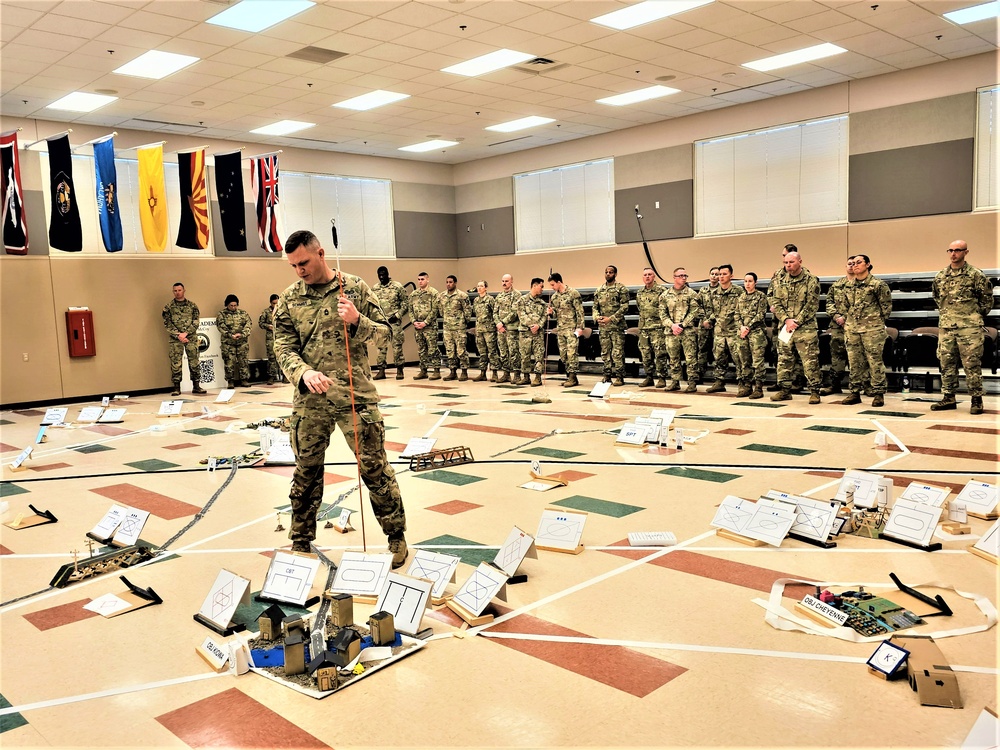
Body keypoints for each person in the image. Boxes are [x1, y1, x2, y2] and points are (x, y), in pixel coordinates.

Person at [273, 229, 408, 566]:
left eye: (303, 262)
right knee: (306, 471)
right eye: (293, 265)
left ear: (321, 253)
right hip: (311, 399)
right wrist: (303, 372)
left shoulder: (355, 288)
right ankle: (301, 540)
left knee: (375, 468)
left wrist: (357, 320)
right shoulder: (290, 298)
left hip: (354, 394)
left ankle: (396, 538)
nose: (299, 270)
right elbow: (283, 346)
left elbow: (387, 334)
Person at [931, 240, 994, 415]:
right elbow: (937, 298)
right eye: (950, 250)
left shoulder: (976, 275)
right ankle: (948, 397)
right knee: (946, 363)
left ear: (966, 252)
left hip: (969, 327)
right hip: (946, 326)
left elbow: (987, 300)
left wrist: (973, 316)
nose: (953, 254)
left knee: (972, 364)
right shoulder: (940, 276)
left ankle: (976, 399)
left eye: (957, 250)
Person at [832, 254, 892, 408]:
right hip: (852, 329)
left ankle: (878, 393)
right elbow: (844, 306)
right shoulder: (848, 286)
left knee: (874, 362)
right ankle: (855, 392)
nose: (855, 265)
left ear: (868, 265)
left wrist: (875, 323)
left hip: (872, 329)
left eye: (859, 262)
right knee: (854, 362)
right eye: (853, 263)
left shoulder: (878, 285)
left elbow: (886, 308)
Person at [770, 251, 822, 403]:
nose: (788, 265)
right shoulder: (780, 281)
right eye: (785, 263)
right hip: (786, 327)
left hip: (805, 328)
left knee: (810, 361)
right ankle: (785, 390)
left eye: (791, 262)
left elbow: (812, 304)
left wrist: (796, 321)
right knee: (784, 359)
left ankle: (814, 391)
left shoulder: (811, 280)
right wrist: (786, 320)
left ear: (800, 261)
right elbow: (776, 303)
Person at [767, 245, 806, 392]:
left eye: (788, 256)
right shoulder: (777, 274)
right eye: (783, 256)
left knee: (796, 350)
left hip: (796, 319)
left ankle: (797, 381)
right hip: (779, 318)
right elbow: (771, 293)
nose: (785, 259)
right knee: (780, 349)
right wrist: (773, 306)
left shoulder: (804, 274)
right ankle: (782, 380)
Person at [705, 264, 747, 395]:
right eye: (719, 274)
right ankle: (719, 382)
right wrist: (709, 320)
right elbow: (714, 312)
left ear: (731, 276)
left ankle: (742, 383)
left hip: (734, 330)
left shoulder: (739, 291)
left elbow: (743, 310)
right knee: (719, 358)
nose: (721, 277)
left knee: (739, 359)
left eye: (724, 274)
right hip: (719, 331)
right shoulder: (714, 292)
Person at [659, 267, 701, 392]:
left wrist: (682, 325)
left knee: (690, 357)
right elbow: (662, 314)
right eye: (681, 276)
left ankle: (692, 382)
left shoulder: (692, 294)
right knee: (673, 358)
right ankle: (675, 381)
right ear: (674, 278)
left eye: (685, 276)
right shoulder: (665, 295)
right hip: (671, 331)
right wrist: (672, 325)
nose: (684, 278)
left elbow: (694, 311)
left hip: (687, 331)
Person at [162, 282, 206, 397]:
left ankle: (196, 386)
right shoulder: (168, 307)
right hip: (175, 339)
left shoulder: (192, 305)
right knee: (176, 363)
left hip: (190, 337)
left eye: (179, 290)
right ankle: (176, 388)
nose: (177, 292)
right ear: (173, 292)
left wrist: (186, 333)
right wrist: (179, 335)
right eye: (175, 291)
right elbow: (167, 324)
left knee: (194, 361)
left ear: (184, 290)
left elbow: (196, 321)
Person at [820, 259, 854, 395]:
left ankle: (860, 386)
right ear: (845, 266)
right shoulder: (837, 285)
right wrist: (837, 317)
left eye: (854, 263)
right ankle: (835, 385)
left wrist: (848, 319)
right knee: (837, 356)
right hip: (838, 326)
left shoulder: (863, 285)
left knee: (857, 357)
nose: (851, 266)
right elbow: (829, 303)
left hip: (856, 327)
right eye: (849, 263)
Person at [594, 265, 629, 386]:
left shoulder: (621, 288)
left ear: (615, 274)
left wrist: (611, 319)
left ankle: (620, 376)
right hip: (603, 327)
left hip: (616, 327)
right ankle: (607, 375)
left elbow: (625, 306)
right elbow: (595, 307)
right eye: (606, 272)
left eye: (611, 272)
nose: (608, 274)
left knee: (617, 353)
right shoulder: (600, 290)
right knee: (605, 352)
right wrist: (597, 317)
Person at [547, 272, 584, 388]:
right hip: (561, 329)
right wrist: (550, 313)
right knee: (563, 355)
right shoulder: (554, 297)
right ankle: (570, 376)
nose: (552, 287)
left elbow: (580, 312)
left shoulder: (573, 293)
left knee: (571, 353)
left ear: (559, 282)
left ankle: (573, 377)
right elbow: (555, 315)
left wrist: (580, 327)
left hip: (572, 328)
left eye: (553, 285)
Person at [371, 265, 408, 381]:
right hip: (381, 322)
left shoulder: (397, 287)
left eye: (383, 275)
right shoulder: (375, 288)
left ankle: (399, 370)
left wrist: (397, 315)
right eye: (379, 275)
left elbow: (406, 303)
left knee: (397, 346)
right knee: (380, 347)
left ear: (388, 274)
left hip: (394, 322)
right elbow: (372, 304)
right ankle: (381, 370)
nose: (381, 277)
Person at [736, 272, 769, 399]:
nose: (747, 284)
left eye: (750, 281)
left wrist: (747, 326)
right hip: (743, 333)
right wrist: (741, 327)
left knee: (757, 361)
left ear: (755, 282)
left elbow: (760, 314)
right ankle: (747, 386)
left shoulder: (761, 296)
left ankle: (759, 388)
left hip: (756, 333)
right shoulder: (741, 297)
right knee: (745, 361)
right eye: (745, 281)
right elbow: (736, 314)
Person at [636, 267, 667, 388]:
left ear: (654, 276)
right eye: (645, 275)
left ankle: (662, 378)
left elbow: (665, 309)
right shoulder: (640, 292)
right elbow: (640, 308)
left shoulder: (661, 291)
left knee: (660, 354)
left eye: (650, 274)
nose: (647, 277)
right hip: (644, 328)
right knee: (645, 354)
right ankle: (649, 377)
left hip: (657, 327)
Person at [439, 274, 472, 381]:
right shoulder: (442, 296)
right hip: (447, 327)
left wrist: (462, 322)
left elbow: (467, 311)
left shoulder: (462, 295)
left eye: (451, 282)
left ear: (455, 283)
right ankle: (452, 371)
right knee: (450, 350)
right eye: (447, 282)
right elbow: (441, 311)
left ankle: (464, 371)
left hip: (459, 328)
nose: (448, 284)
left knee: (461, 350)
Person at [409, 272, 440, 381]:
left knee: (433, 349)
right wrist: (413, 321)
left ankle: (436, 370)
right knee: (421, 349)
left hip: (429, 327)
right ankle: (423, 370)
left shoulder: (433, 293)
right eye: (418, 279)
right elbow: (410, 310)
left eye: (422, 279)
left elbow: (435, 309)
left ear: (427, 280)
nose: (420, 281)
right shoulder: (414, 294)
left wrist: (426, 322)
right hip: (418, 326)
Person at [217, 294, 252, 388]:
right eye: (231, 305)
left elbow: (248, 325)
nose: (233, 307)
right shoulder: (222, 314)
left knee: (243, 362)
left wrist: (242, 334)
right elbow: (221, 326)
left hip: (242, 342)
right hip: (228, 343)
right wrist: (230, 335)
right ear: (227, 305)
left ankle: (244, 380)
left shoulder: (243, 313)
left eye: (235, 305)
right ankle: (230, 381)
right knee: (229, 363)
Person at [517, 278, 547, 387]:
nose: (542, 289)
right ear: (534, 286)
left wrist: (538, 325)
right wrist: (531, 325)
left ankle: (538, 377)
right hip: (525, 332)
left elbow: (544, 316)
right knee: (525, 355)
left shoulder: (542, 303)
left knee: (539, 355)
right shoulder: (522, 300)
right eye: (541, 286)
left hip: (538, 333)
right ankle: (526, 377)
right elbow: (522, 315)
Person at [494, 274, 522, 384]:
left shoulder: (517, 295)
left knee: (514, 351)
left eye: (506, 281)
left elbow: (515, 312)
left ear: (511, 282)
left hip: (511, 328)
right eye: (502, 281)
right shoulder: (499, 296)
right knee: (503, 352)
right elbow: (495, 312)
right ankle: (506, 373)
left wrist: (503, 322)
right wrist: (498, 324)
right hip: (501, 329)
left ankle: (516, 374)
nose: (504, 283)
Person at [472, 280, 500, 382]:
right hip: (479, 330)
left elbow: (495, 313)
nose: (479, 288)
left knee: (492, 352)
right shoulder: (476, 300)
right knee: (482, 352)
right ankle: (482, 373)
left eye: (481, 286)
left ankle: (494, 373)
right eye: (478, 286)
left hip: (489, 330)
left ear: (486, 288)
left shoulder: (490, 300)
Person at [696, 266, 720, 384]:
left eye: (717, 274)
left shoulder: (722, 290)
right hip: (703, 325)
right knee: (702, 350)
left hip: (718, 325)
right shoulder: (703, 290)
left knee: (718, 352)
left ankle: (718, 377)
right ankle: (699, 374)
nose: (714, 276)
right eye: (712, 274)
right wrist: (705, 319)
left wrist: (710, 320)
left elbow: (721, 309)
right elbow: (697, 306)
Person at [259, 294, 281, 385]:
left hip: (282, 337)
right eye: (273, 303)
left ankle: (285, 376)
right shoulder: (266, 312)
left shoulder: (283, 310)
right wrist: (268, 326)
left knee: (284, 356)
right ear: (270, 302)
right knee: (271, 357)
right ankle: (271, 376)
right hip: (271, 338)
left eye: (277, 303)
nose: (275, 305)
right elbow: (260, 323)